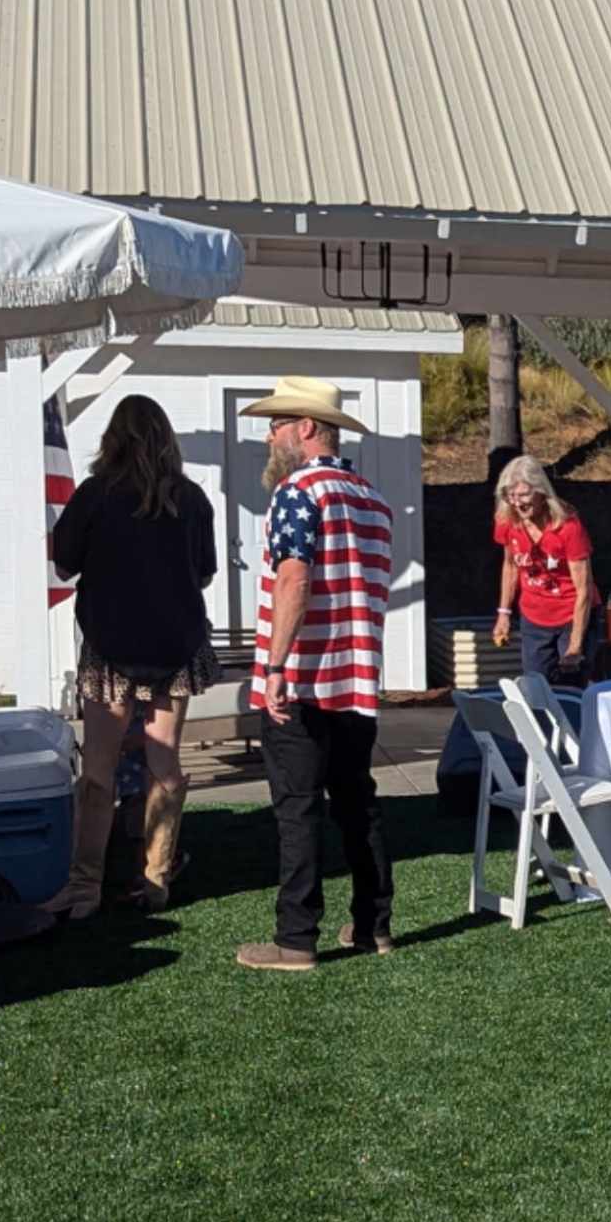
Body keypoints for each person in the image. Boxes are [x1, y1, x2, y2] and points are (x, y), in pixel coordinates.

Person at [238, 376, 398, 974]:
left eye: (277, 424)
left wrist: (276, 667)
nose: (269, 435)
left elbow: (294, 579)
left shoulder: (297, 492)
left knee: (298, 806)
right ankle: (373, 923)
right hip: (356, 678)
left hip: (302, 677)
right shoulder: (371, 499)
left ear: (306, 428)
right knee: (357, 800)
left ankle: (296, 939)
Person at [47, 396, 215, 920]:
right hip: (176, 646)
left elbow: (65, 561)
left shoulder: (95, 495)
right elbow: (205, 572)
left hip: (110, 649)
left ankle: (83, 888)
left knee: (98, 764)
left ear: (113, 439)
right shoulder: (191, 499)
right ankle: (156, 880)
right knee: (164, 762)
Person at [490, 454, 601, 703]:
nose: (518, 504)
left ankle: (575, 739)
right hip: (535, 616)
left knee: (569, 689)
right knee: (535, 687)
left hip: (572, 613)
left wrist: (574, 645)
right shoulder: (507, 521)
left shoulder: (568, 527)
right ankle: (542, 739)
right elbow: (510, 566)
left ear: (541, 493)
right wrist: (503, 614)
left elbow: (583, 589)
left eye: (524, 496)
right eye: (511, 496)